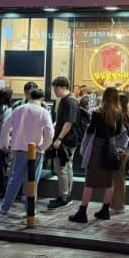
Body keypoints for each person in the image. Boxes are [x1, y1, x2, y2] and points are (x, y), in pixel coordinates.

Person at [0, 88, 54, 216]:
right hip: (36, 150)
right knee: (32, 181)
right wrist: (43, 146)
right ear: (42, 98)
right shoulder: (44, 112)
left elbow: (6, 126)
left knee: (15, 179)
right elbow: (50, 132)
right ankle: (30, 209)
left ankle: (5, 207)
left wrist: (4, 143)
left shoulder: (19, 109)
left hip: (19, 147)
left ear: (29, 96)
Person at [69, 87, 123, 223]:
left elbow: (91, 129)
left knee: (90, 182)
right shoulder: (118, 113)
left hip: (97, 148)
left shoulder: (97, 112)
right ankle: (105, 210)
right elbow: (118, 132)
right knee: (108, 182)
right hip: (110, 147)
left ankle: (82, 212)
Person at [47, 76, 80, 209]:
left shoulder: (69, 102)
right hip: (69, 139)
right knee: (67, 167)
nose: (54, 91)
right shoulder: (68, 100)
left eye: (56, 89)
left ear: (63, 87)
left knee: (61, 169)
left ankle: (64, 197)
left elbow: (68, 122)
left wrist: (59, 138)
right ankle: (66, 195)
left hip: (66, 140)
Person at [111, 92, 129, 214]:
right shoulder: (125, 115)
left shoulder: (120, 116)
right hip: (124, 149)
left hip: (121, 150)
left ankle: (117, 205)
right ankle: (117, 204)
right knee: (119, 177)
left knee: (118, 178)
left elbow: (117, 135)